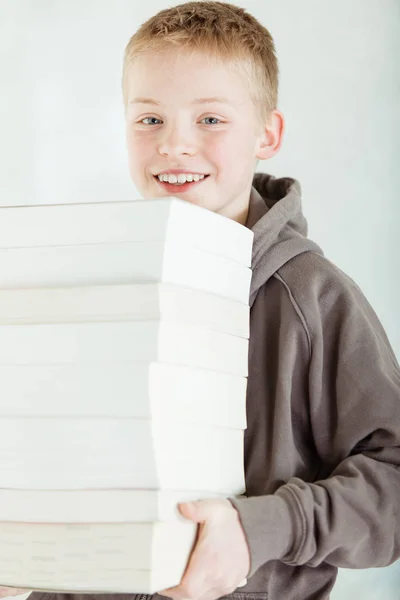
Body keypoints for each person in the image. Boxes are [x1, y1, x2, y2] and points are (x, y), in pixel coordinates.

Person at [16, 2, 400, 600]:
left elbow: (394, 482)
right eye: (149, 120)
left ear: (267, 134)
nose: (175, 145)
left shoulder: (314, 299)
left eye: (211, 120)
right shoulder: (87, 286)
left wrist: (261, 530)